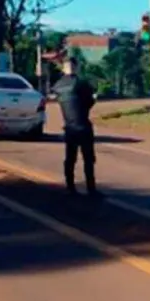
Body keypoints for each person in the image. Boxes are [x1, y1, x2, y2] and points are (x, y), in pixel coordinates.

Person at [52, 57, 100, 197]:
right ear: (76, 67)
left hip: (69, 127)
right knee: (89, 159)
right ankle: (91, 189)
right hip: (83, 125)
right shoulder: (81, 83)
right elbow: (89, 102)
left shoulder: (58, 86)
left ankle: (70, 187)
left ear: (63, 68)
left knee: (70, 158)